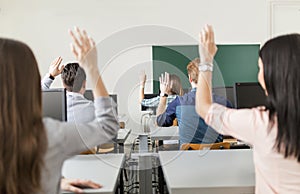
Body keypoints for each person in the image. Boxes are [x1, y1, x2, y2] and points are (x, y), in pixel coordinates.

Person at [0, 27, 119, 194]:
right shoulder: (50, 134)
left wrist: (50, 76)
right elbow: (109, 127)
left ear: (63, 84)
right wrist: (92, 68)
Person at [196, 25, 300, 193]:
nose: (259, 76)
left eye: (260, 68)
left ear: (274, 74)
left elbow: (204, 108)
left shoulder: (260, 123)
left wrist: (206, 62)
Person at [156, 61, 231, 147]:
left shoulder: (178, 102)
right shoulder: (223, 103)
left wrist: (163, 95)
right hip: (217, 157)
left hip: (187, 158)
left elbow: (160, 121)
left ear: (190, 79)